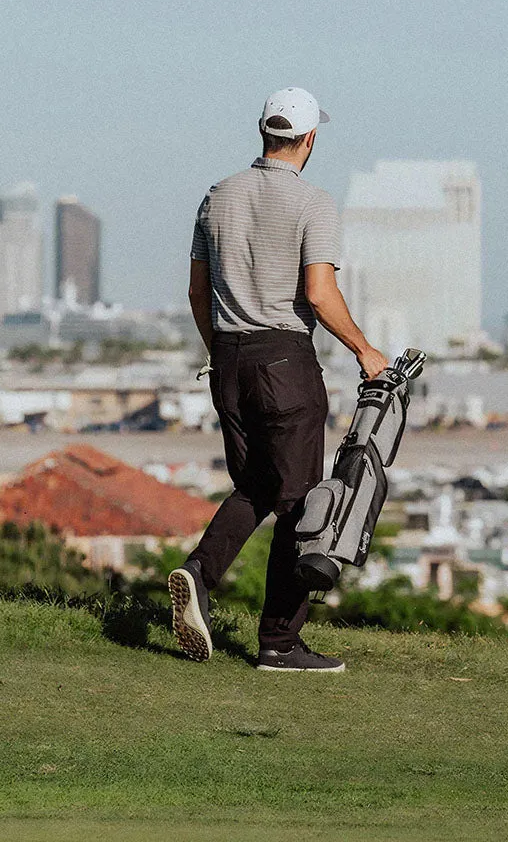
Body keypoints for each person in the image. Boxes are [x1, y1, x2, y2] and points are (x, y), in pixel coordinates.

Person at [168, 87, 388, 673]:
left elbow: (197, 291)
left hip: (228, 360)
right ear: (310, 139)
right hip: (285, 361)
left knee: (261, 486)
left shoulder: (217, 196)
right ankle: (280, 643)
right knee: (299, 503)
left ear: (263, 133)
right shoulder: (313, 204)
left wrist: (222, 351)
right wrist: (365, 350)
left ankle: (199, 573)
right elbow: (319, 293)